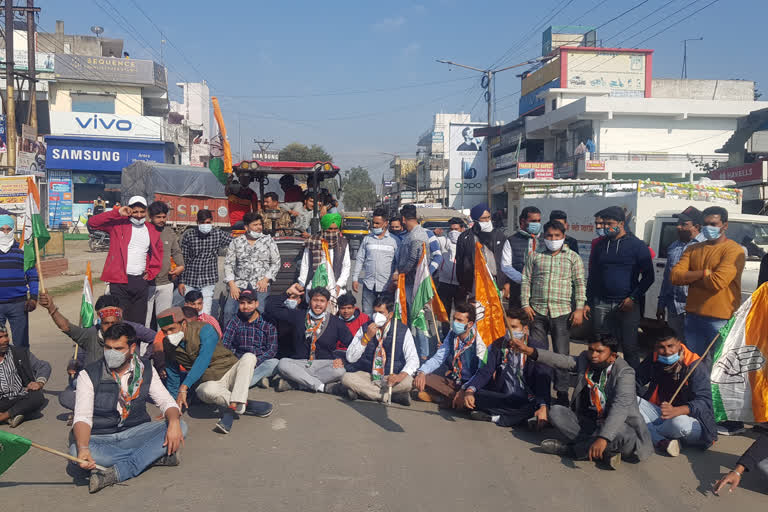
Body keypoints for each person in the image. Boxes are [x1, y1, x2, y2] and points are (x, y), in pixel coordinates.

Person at [69, 323, 186, 493]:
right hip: (102, 438)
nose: (111, 353)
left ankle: (118, 471)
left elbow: (167, 402)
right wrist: (84, 449)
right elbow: (82, 417)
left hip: (134, 433)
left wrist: (174, 421)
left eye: (118, 348)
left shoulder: (146, 370)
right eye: (108, 348)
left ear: (132, 348)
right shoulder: (89, 374)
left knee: (181, 426)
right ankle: (150, 458)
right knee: (74, 451)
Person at [510, 335, 653, 469]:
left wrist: (603, 438)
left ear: (612, 357)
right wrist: (529, 351)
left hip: (621, 430)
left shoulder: (625, 373)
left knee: (621, 431)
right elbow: (562, 360)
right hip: (591, 423)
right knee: (556, 412)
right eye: (591, 349)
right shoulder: (586, 360)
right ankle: (602, 453)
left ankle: (571, 450)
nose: (593, 355)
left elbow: (620, 408)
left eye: (599, 351)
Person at [670, 206, 746, 436]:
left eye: (714, 224)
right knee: (694, 367)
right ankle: (697, 409)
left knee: (721, 369)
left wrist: (693, 277)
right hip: (694, 315)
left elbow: (719, 282)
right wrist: (703, 274)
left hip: (720, 317)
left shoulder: (733, 250)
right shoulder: (694, 248)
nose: (709, 228)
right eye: (706, 224)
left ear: (724, 225)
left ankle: (730, 419)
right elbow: (675, 276)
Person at [159, 307, 272, 435]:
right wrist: (172, 406)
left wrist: (184, 387)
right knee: (204, 391)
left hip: (231, 373)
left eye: (171, 329)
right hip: (209, 382)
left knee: (249, 357)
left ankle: (232, 408)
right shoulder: (167, 344)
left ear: (183, 323)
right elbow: (172, 373)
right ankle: (241, 404)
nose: (168, 334)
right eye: (164, 331)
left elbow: (203, 359)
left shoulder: (205, 329)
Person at [521, 220, 586, 404]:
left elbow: (580, 283)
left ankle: (562, 392)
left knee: (561, 355)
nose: (553, 239)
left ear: (563, 237)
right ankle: (539, 392)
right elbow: (526, 280)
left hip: (562, 311)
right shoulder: (535, 256)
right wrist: (525, 304)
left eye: (557, 236)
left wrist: (579, 308)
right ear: (544, 236)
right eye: (550, 235)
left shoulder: (572, 257)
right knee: (538, 352)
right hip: (537, 311)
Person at [585, 206, 654, 370]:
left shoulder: (637, 246)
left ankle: (634, 385)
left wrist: (633, 298)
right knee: (603, 346)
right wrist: (588, 301)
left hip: (627, 305)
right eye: (604, 224)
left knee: (630, 347)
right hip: (600, 303)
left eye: (610, 223)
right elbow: (593, 275)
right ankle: (602, 382)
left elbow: (648, 277)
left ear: (622, 223)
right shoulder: (600, 246)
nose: (606, 227)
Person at [461, 308, 552, 428]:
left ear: (525, 329)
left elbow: (543, 380)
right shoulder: (498, 345)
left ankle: (495, 418)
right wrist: (470, 391)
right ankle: (520, 419)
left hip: (528, 399)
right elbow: (485, 372)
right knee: (474, 396)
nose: (509, 331)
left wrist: (543, 406)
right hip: (504, 397)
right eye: (507, 326)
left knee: (535, 407)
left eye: (514, 327)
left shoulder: (536, 349)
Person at [635, 327, 717, 457]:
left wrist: (677, 411)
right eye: (661, 347)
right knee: (629, 401)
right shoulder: (654, 358)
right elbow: (637, 380)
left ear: (679, 344)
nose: (667, 352)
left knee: (678, 423)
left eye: (670, 346)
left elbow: (705, 403)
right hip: (660, 414)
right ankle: (662, 441)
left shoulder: (695, 366)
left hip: (690, 421)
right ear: (656, 348)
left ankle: (643, 430)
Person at [87, 196, 163, 324]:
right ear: (129, 210)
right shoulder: (118, 224)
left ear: (146, 212)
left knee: (138, 323)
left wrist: (151, 272)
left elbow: (158, 252)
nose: (139, 215)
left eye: (142, 211)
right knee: (120, 322)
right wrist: (117, 212)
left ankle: (136, 345)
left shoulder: (151, 229)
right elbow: (93, 223)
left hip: (140, 282)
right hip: (120, 282)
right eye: (135, 211)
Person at [272, 287, 353, 393]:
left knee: (340, 371)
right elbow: (272, 309)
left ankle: (296, 383)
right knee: (283, 364)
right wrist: (287, 293)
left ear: (327, 303)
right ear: (310, 301)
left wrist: (342, 360)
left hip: (323, 364)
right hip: (300, 363)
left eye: (322, 301)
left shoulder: (336, 323)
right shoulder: (298, 315)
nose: (318, 304)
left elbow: (352, 346)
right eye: (315, 300)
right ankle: (323, 387)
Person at [342, 294, 419, 405]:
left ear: (390, 314)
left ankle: (364, 393)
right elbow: (351, 358)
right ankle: (389, 396)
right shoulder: (365, 328)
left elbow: (413, 359)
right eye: (375, 312)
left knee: (408, 382)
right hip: (369, 375)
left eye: (381, 313)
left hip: (390, 377)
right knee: (346, 378)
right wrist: (366, 338)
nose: (377, 316)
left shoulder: (402, 330)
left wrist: (400, 376)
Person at [411, 302, 486, 406]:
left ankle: (443, 399)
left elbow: (481, 372)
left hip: (472, 384)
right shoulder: (452, 334)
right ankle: (451, 400)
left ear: (470, 324)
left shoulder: (479, 340)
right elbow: (438, 358)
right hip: (455, 381)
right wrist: (422, 373)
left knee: (472, 398)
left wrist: (467, 389)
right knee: (420, 376)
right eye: (454, 319)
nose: (455, 323)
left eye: (459, 320)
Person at [223, 212, 280, 325]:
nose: (259, 227)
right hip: (239, 283)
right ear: (246, 227)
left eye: (260, 224)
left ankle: (258, 339)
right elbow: (228, 264)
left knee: (260, 311)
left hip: (260, 284)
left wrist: (266, 279)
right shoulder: (236, 242)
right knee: (229, 311)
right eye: (255, 225)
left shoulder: (268, 241)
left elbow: (276, 262)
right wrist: (232, 285)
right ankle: (228, 339)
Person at [656, 207, 705, 339]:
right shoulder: (673, 247)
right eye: (678, 223)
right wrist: (661, 304)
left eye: (684, 224)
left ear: (697, 226)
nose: (678, 227)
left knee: (694, 349)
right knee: (677, 346)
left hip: (695, 309)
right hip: (674, 308)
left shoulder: (706, 246)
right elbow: (667, 278)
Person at [221, 287, 279, 389]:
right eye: (242, 303)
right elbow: (225, 344)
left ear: (256, 304)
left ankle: (238, 383)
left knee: (275, 363)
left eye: (249, 303)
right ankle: (256, 380)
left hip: (259, 363)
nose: (246, 306)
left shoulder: (268, 323)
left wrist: (255, 362)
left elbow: (272, 350)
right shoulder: (234, 321)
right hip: (239, 362)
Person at [393, 204, 431, 360]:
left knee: (418, 318)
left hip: (414, 283)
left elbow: (414, 260)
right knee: (408, 318)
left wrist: (400, 273)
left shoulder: (417, 235)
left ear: (403, 219)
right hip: (407, 282)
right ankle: (410, 349)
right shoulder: (411, 234)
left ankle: (423, 354)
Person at [178, 209, 232, 315]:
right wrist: (181, 281)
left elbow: (235, 242)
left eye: (207, 222)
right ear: (197, 222)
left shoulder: (218, 234)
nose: (205, 225)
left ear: (211, 221)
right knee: (190, 312)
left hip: (208, 279)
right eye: (202, 223)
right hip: (190, 279)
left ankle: (203, 330)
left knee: (205, 312)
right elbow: (183, 259)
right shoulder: (189, 236)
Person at [455, 204, 507, 303]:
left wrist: (505, 283)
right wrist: (464, 285)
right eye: (483, 218)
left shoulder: (499, 235)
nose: (487, 221)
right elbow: (460, 262)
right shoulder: (465, 237)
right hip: (475, 283)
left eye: (488, 217)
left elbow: (505, 260)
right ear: (475, 219)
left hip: (494, 281)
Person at [0, 214, 38, 348]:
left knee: (21, 345)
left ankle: (22, 368)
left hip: (18, 304)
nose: (5, 232)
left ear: (13, 230)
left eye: (8, 229)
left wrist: (34, 298)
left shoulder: (23, 250)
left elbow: (32, 276)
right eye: (1, 229)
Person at [297, 212, 350, 308]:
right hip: (314, 284)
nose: (332, 231)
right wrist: (302, 284)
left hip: (335, 286)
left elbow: (346, 266)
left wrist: (339, 284)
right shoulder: (312, 241)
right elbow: (305, 264)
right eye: (330, 228)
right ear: (324, 228)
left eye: (335, 229)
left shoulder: (343, 243)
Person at [0, 327, 50, 427]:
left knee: (37, 397)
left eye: (6, 336)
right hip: (2, 401)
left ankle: (4, 417)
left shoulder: (19, 353)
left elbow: (44, 366)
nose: (5, 340)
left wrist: (39, 383)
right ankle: (17, 414)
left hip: (21, 395)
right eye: (0, 337)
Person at [352, 208, 398, 315]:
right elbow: (360, 259)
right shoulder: (367, 239)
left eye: (378, 223)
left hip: (387, 286)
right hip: (369, 285)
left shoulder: (394, 241)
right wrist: (355, 278)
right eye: (374, 223)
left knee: (386, 316)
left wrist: (394, 281)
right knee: (367, 315)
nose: (375, 226)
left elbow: (398, 263)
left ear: (385, 223)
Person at [146, 201, 184, 328]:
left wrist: (180, 266)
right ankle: (144, 347)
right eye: (158, 217)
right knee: (145, 320)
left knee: (164, 321)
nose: (162, 220)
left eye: (164, 217)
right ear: (150, 217)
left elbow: (177, 252)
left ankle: (162, 345)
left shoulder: (169, 232)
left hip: (166, 283)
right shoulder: (144, 231)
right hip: (147, 284)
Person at [501, 206, 542, 308]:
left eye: (538, 221)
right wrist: (524, 280)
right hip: (518, 291)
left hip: (540, 293)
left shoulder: (544, 240)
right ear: (522, 221)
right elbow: (506, 266)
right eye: (533, 221)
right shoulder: (511, 240)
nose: (537, 224)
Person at [436, 217, 466, 336]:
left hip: (461, 285)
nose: (453, 232)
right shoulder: (443, 241)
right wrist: (434, 234)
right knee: (444, 313)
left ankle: (460, 335)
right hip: (445, 283)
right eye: (451, 229)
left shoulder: (467, 242)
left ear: (462, 229)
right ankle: (445, 336)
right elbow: (430, 240)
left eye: (456, 229)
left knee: (461, 312)